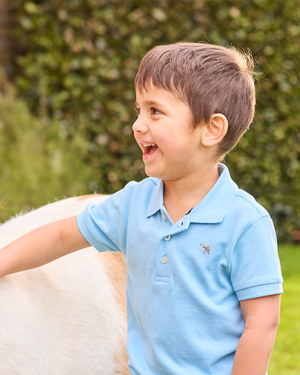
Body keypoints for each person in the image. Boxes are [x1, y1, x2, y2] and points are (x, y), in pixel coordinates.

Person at [0, 43, 283, 375]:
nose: (137, 124)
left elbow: (261, 322)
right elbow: (62, 236)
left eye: (155, 111)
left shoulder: (246, 222)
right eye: (139, 110)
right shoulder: (134, 203)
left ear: (211, 129)